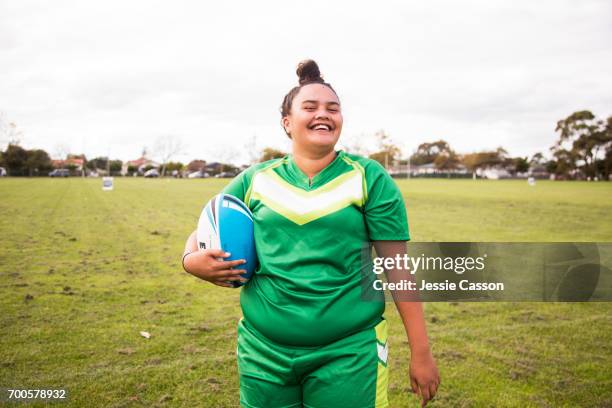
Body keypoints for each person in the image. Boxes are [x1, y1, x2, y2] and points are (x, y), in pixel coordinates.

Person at [182, 60, 439, 407]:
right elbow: (204, 231)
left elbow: (398, 268)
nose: (324, 114)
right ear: (287, 122)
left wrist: (420, 351)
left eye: (333, 108)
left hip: (349, 352)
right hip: (263, 352)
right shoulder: (255, 178)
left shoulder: (368, 177)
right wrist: (191, 261)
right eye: (311, 107)